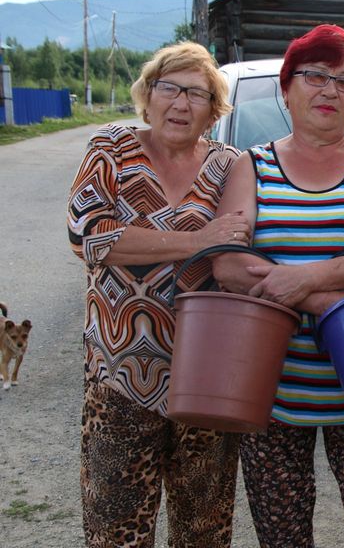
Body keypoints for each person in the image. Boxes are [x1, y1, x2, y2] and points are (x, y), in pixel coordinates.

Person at [211, 24, 344, 548]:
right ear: (287, 87)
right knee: (281, 535)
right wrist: (330, 298)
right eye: (316, 76)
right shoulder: (251, 166)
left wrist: (305, 280)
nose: (329, 91)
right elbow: (228, 266)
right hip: (271, 384)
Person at [67, 41, 249, 547]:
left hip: (207, 377)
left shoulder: (229, 166)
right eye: (168, 88)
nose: (181, 103)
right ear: (147, 97)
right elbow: (89, 237)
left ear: (215, 111)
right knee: (114, 528)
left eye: (197, 93)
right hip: (118, 374)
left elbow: (239, 246)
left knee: (204, 528)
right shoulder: (111, 148)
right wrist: (197, 240)